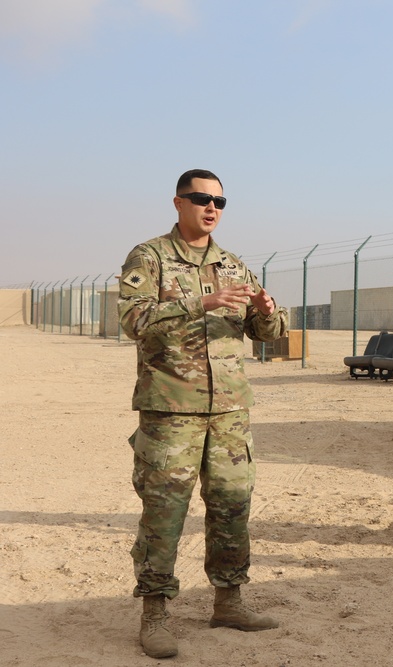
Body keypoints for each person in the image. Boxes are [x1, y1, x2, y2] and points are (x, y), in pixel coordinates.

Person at [119, 169, 288, 658]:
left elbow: (265, 333)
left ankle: (229, 601)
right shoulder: (149, 258)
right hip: (172, 409)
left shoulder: (234, 265)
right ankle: (154, 614)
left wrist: (267, 309)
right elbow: (133, 321)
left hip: (230, 412)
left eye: (220, 201)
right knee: (164, 513)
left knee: (232, 508)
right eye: (201, 199)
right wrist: (201, 301)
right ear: (178, 203)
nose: (211, 208)